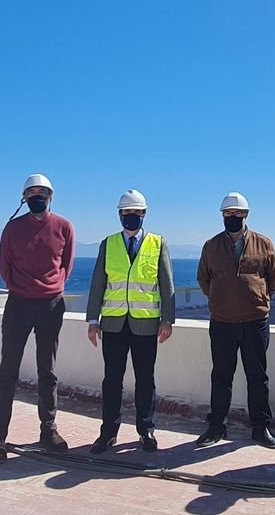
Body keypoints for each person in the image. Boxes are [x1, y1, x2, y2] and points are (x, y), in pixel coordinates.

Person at [0, 173, 76, 461]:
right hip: (18, 305)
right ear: (24, 198)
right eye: (32, 192)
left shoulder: (64, 227)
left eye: (42, 192)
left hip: (51, 305)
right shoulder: (12, 229)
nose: (37, 196)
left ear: (50, 196)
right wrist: (21, 288)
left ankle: (48, 430)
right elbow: (5, 266)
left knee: (47, 371)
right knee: (8, 371)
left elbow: (66, 265)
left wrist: (52, 289)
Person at [85, 189, 176, 453]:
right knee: (111, 379)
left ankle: (146, 431)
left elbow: (166, 283)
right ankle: (108, 433)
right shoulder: (108, 243)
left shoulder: (158, 243)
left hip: (146, 324)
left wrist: (168, 320)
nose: (131, 217)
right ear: (119, 215)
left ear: (144, 214)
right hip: (113, 324)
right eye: (126, 213)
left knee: (145, 379)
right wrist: (93, 320)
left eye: (136, 213)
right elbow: (97, 283)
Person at [196, 192, 275, 448]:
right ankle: (216, 427)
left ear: (246, 215)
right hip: (222, 322)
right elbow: (203, 279)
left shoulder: (264, 243)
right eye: (227, 213)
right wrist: (220, 299)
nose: (232, 217)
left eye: (236, 213)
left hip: (255, 321)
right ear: (223, 216)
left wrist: (259, 298)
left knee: (258, 377)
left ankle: (261, 427)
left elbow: (273, 277)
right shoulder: (211, 246)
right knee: (221, 375)